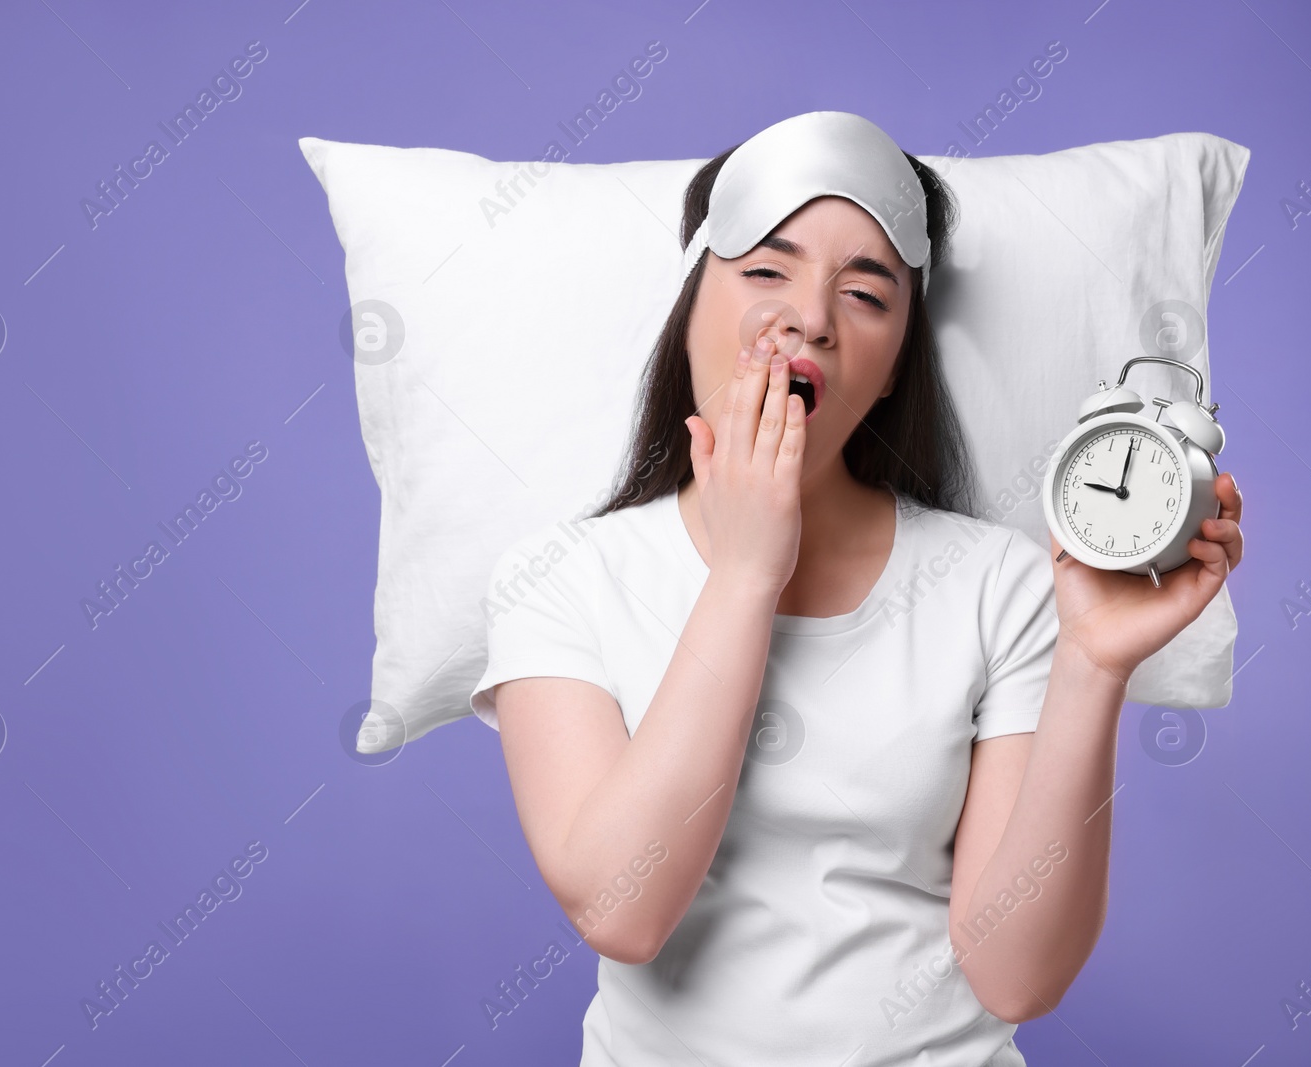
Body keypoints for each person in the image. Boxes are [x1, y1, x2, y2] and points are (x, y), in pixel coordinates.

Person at [469, 111, 1244, 1066]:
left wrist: (1092, 664)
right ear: (691, 309)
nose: (810, 318)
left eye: (866, 295)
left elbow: (1016, 977)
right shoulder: (563, 580)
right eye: (764, 271)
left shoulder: (997, 583)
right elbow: (623, 910)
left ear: (889, 373)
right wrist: (751, 571)